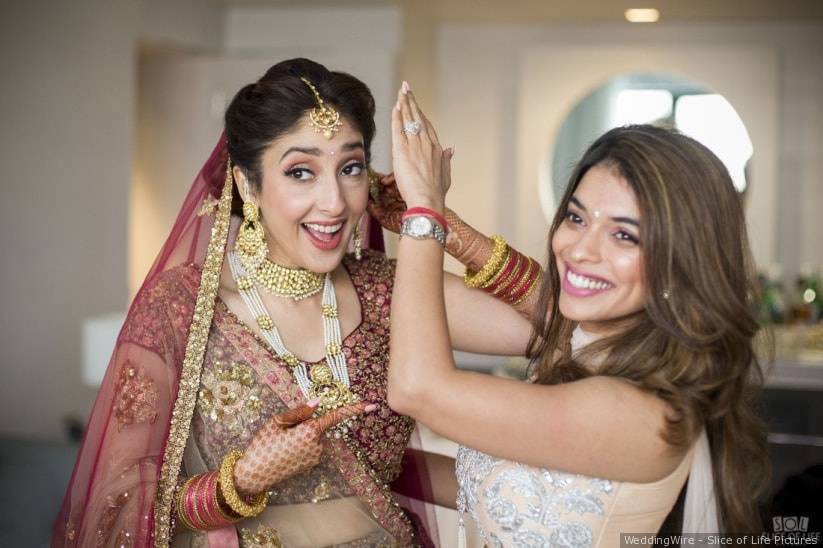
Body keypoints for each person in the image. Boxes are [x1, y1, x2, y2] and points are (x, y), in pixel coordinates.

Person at [52, 60, 532, 548]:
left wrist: (435, 216)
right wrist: (239, 483)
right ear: (247, 185)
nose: (334, 202)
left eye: (351, 168)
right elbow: (114, 508)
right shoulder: (181, 306)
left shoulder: (388, 291)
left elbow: (553, 329)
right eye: (301, 172)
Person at [384, 83, 770, 546]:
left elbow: (417, 389)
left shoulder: (639, 413)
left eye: (625, 236)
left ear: (681, 263)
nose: (580, 250)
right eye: (577, 218)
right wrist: (355, 460)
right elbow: (498, 492)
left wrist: (426, 211)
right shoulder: (596, 350)